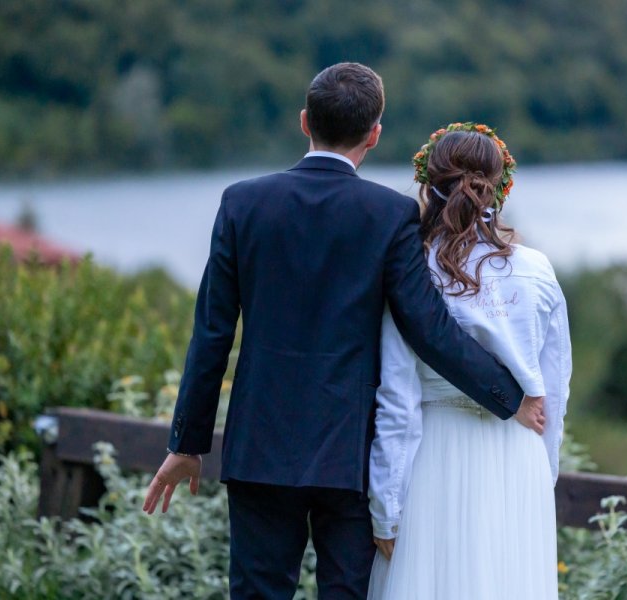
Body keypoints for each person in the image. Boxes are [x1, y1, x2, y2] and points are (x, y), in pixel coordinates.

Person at [141, 63, 546, 599]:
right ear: (375, 134)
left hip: (259, 447)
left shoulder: (242, 202)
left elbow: (212, 332)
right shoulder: (390, 214)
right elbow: (428, 328)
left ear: (304, 122)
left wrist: (187, 443)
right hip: (348, 452)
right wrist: (509, 397)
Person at [367, 123, 572, 600]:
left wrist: (386, 509)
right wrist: (544, 477)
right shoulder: (537, 269)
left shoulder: (413, 267)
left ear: (429, 184)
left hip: (433, 457)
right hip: (518, 459)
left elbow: (396, 396)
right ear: (498, 186)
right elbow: (554, 391)